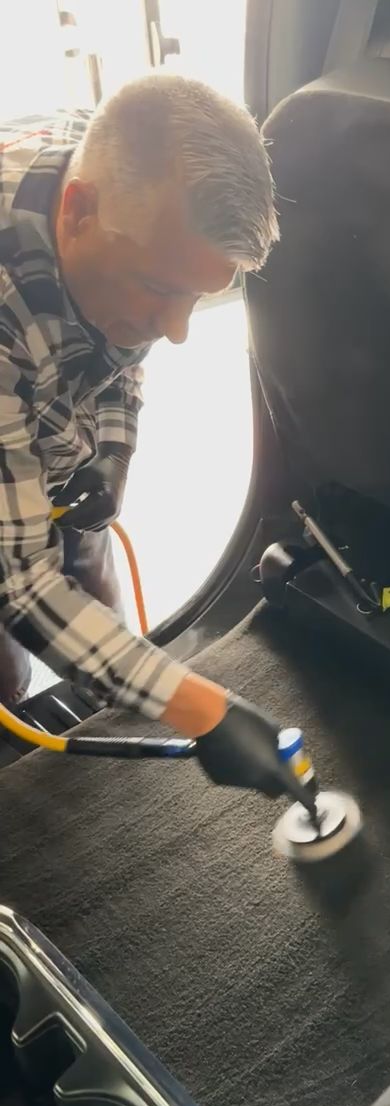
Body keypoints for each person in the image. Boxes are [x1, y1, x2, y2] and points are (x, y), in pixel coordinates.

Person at [0, 74, 303, 803]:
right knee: (7, 670)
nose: (178, 330)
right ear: (77, 212)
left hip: (44, 441)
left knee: (100, 609)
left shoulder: (114, 184)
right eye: (164, 291)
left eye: (198, 297)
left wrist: (113, 450)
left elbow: (118, 352)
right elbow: (21, 584)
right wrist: (206, 711)